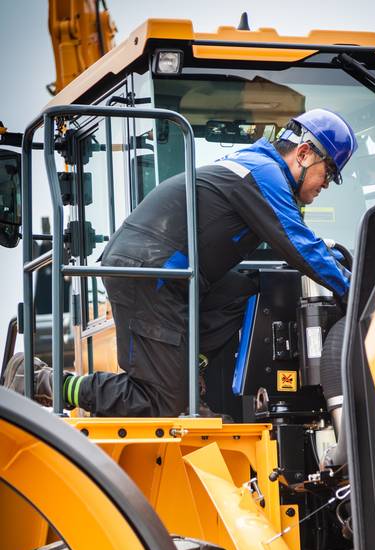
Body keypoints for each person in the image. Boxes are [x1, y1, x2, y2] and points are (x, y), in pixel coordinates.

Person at [5, 108, 357, 417]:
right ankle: (43, 381)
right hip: (148, 272)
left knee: (253, 291)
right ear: (304, 153)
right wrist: (356, 293)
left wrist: (341, 267)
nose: (326, 185)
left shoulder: (257, 166)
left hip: (176, 275)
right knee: (162, 402)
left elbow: (301, 245)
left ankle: (191, 375)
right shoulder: (264, 173)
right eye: (328, 173)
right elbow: (299, 244)